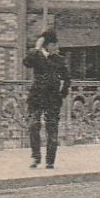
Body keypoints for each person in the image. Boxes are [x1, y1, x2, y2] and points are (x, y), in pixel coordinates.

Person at [24, 31, 71, 169]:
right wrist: (36, 48)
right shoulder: (36, 57)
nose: (57, 47)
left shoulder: (59, 59)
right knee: (33, 125)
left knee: (52, 129)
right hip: (36, 98)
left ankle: (50, 161)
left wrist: (62, 93)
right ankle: (36, 157)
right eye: (54, 44)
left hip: (52, 99)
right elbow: (26, 62)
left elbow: (67, 79)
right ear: (47, 45)